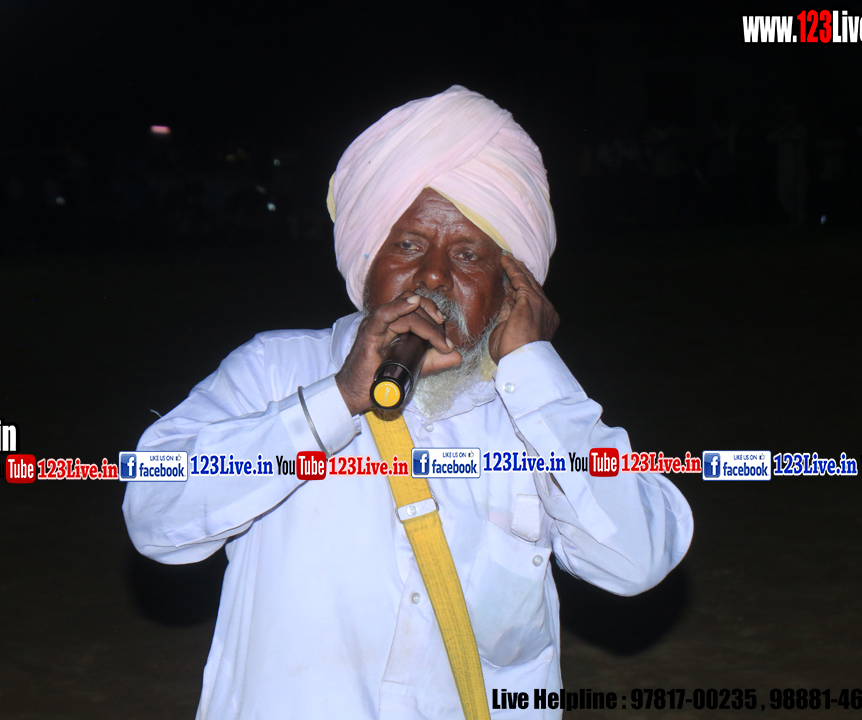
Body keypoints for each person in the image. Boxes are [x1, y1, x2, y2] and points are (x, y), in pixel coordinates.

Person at [123, 86, 693, 720]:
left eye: (468, 255)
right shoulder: (275, 370)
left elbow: (639, 559)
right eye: (409, 245)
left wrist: (535, 373)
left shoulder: (533, 418)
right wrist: (337, 399)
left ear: (512, 289)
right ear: (369, 259)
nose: (433, 277)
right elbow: (154, 518)